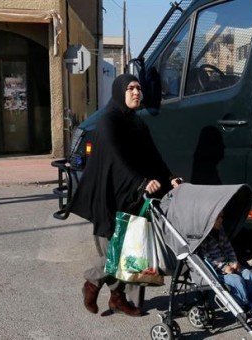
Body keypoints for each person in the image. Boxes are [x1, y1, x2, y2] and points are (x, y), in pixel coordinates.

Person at [71, 74, 182, 317]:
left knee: (136, 250)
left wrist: (168, 178)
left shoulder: (138, 123)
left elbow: (153, 157)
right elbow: (115, 159)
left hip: (135, 195)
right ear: (119, 91)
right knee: (117, 249)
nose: (136, 93)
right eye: (131, 88)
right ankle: (92, 283)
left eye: (139, 89)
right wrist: (140, 182)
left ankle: (119, 299)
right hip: (110, 197)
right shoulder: (107, 121)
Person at [198, 209, 252, 321]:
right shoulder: (202, 238)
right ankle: (247, 308)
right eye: (218, 217)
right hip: (216, 271)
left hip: (228, 264)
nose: (221, 219)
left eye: (221, 216)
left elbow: (229, 248)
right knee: (236, 280)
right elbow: (206, 259)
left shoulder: (220, 230)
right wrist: (223, 267)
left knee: (248, 273)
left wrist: (234, 261)